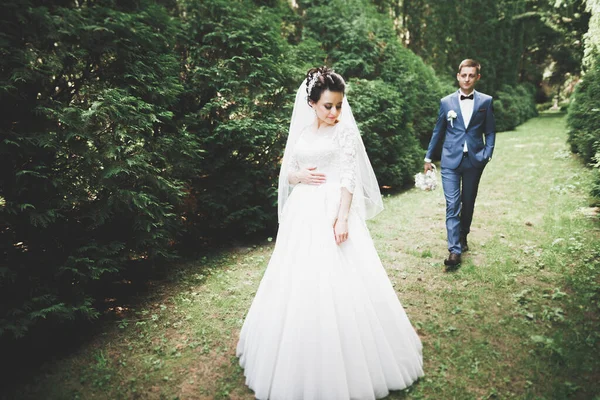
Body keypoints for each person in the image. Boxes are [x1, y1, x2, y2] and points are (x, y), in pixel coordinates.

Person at [236, 67, 423, 399]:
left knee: (342, 281)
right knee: (299, 281)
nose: (335, 112)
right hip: (303, 214)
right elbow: (288, 174)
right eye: (328, 106)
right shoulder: (302, 134)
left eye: (339, 105)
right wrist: (300, 176)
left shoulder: (345, 134)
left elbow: (349, 177)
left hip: (333, 210)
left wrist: (341, 219)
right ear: (311, 103)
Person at [424, 59, 496, 268]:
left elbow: (490, 131)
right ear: (458, 76)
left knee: (468, 202)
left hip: (474, 160)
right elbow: (438, 131)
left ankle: (463, 235)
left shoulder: (485, 102)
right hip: (450, 161)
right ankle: (454, 251)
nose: (467, 79)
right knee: (453, 204)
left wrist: (487, 154)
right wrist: (428, 157)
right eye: (463, 75)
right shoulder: (446, 102)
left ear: (477, 77)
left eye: (471, 75)